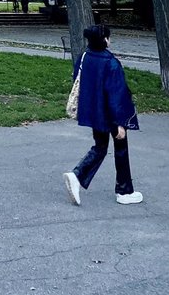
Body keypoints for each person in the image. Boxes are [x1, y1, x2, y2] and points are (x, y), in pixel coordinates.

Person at [63, 25, 142, 206]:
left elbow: (77, 77)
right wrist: (120, 122)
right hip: (111, 115)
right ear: (105, 39)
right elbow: (117, 94)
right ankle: (124, 191)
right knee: (120, 149)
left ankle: (77, 175)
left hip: (94, 111)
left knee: (100, 147)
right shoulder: (111, 63)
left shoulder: (86, 56)